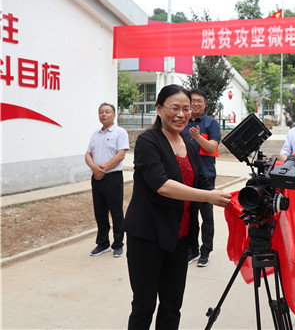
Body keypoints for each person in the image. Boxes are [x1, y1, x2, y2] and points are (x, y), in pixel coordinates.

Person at [123, 85, 231, 329]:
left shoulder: (189, 143)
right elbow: (162, 185)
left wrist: (227, 196)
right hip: (148, 236)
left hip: (179, 237)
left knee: (172, 305)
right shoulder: (147, 142)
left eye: (186, 108)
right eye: (175, 108)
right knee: (144, 305)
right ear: (159, 109)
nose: (182, 114)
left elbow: (201, 180)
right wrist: (208, 196)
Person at [182, 88, 221, 267]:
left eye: (199, 101)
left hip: (205, 176)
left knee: (207, 216)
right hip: (187, 176)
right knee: (190, 216)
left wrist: (197, 137)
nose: (195, 104)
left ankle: (206, 251)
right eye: (193, 101)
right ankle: (192, 250)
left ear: (205, 103)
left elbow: (212, 148)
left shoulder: (211, 123)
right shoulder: (182, 122)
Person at [85, 102, 129, 257]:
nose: (104, 114)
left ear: (114, 115)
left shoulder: (120, 132)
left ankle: (118, 244)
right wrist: (94, 169)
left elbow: (121, 154)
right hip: (96, 178)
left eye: (107, 112)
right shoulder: (95, 134)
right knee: (100, 212)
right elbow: (88, 154)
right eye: (101, 112)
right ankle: (103, 244)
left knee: (116, 212)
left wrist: (102, 169)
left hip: (113, 177)